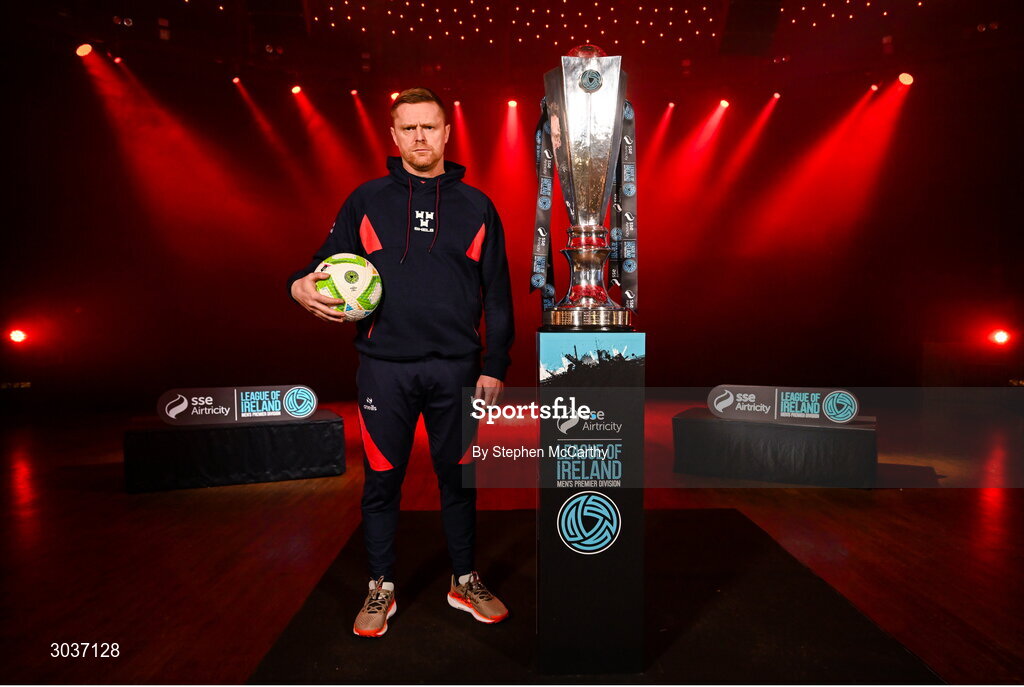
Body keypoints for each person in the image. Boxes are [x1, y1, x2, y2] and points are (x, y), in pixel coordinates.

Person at [287, 87, 514, 638]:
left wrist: (496, 364)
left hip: (457, 368)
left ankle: (464, 578)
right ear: (393, 136)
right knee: (382, 480)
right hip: (383, 368)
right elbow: (321, 267)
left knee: (459, 479)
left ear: (446, 133)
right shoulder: (366, 200)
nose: (419, 137)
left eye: (428, 127)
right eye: (408, 128)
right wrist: (297, 286)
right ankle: (381, 586)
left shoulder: (477, 206)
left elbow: (500, 295)